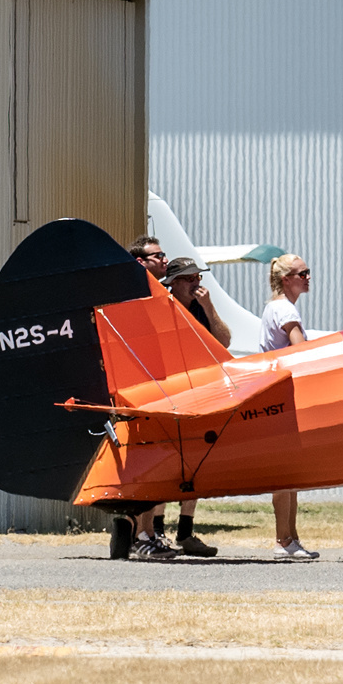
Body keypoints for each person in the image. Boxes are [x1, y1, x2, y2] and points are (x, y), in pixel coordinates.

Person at [151, 256, 231, 558]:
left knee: (196, 461)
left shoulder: (200, 309)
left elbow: (223, 341)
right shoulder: (162, 310)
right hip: (168, 393)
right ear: (172, 284)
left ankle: (185, 530)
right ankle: (157, 530)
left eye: (198, 278)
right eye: (189, 279)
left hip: (197, 391)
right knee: (167, 461)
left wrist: (209, 308)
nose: (196, 284)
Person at [261, 254, 320, 560]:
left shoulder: (279, 307)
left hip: (282, 396)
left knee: (290, 474)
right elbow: (301, 349)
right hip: (283, 397)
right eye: (302, 273)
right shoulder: (284, 308)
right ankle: (284, 539)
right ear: (286, 279)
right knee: (286, 474)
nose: (308, 277)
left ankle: (290, 538)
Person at [126, 237, 177, 560]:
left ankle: (146, 533)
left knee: (157, 463)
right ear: (142, 262)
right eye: (158, 256)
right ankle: (141, 536)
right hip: (143, 391)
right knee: (146, 463)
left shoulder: (158, 294)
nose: (164, 259)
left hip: (160, 388)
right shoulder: (136, 295)